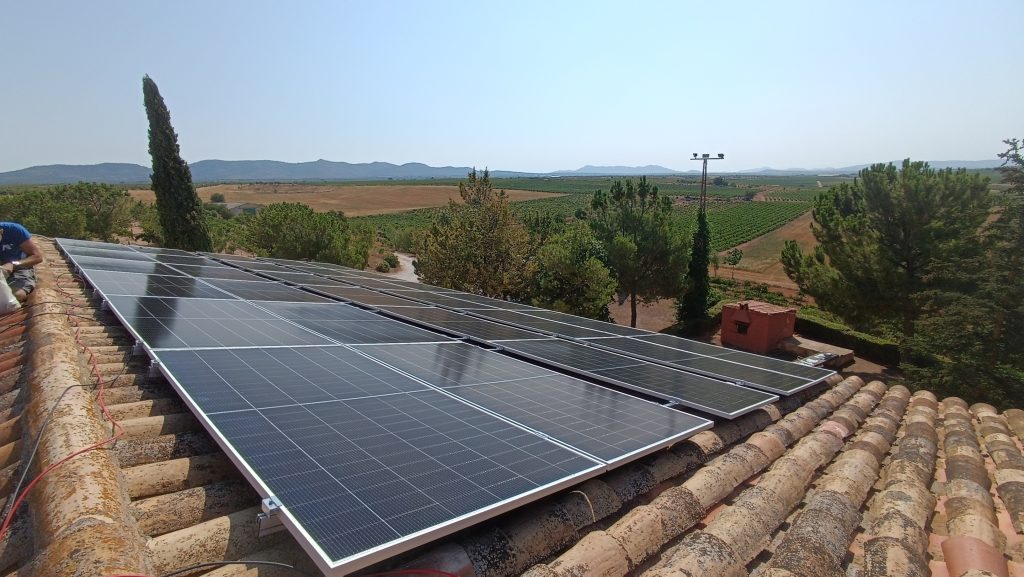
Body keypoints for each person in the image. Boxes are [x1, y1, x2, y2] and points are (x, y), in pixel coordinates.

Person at [1, 222, 44, 302]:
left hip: (20, 268)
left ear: (1, 231)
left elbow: (37, 257)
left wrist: (13, 264)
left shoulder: (15, 230)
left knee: (16, 296)